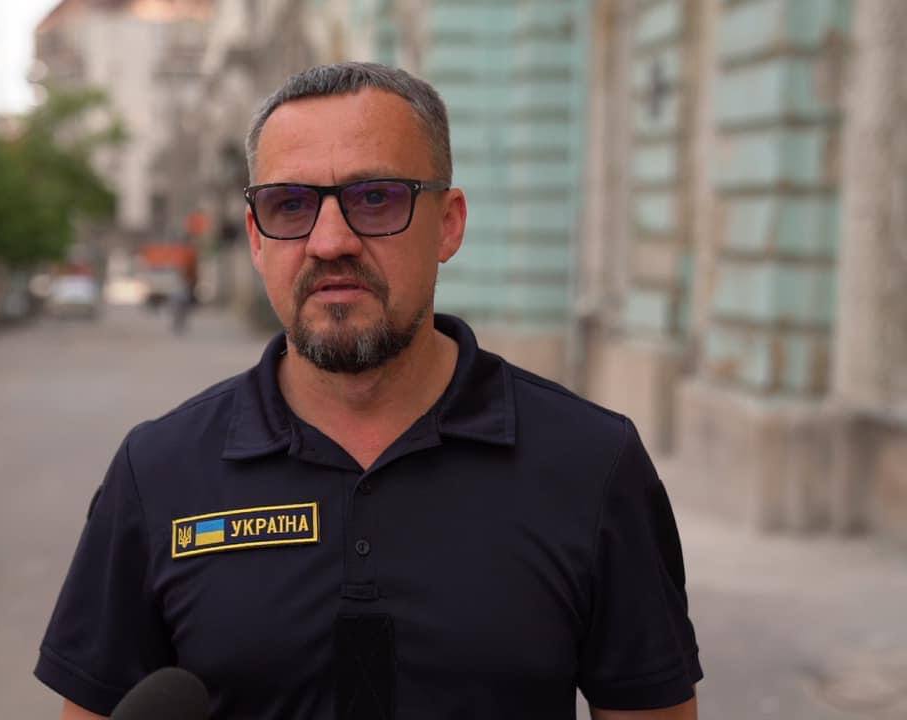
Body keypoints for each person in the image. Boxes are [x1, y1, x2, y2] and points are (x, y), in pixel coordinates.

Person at [35, 63, 701, 719]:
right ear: (256, 239)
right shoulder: (158, 473)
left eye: (376, 198)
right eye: (290, 205)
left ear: (449, 223)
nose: (330, 242)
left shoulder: (590, 465)